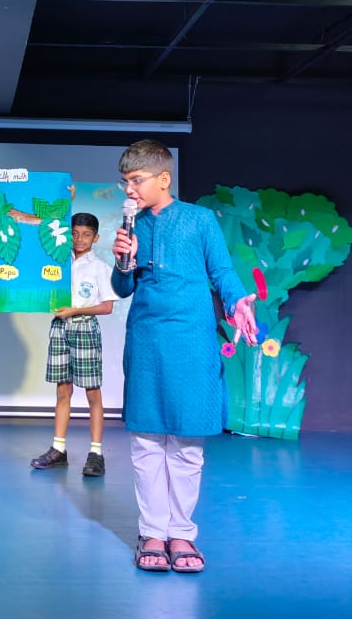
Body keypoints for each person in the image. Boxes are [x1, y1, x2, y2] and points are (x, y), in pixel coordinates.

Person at [110, 139, 258, 575]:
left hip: (193, 340)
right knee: (147, 442)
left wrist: (237, 302)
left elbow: (222, 271)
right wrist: (123, 262)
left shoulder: (199, 220)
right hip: (146, 340)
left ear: (164, 178)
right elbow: (123, 289)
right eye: (125, 182)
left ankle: (181, 533)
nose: (129, 190)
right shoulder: (132, 226)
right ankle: (152, 533)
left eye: (136, 180)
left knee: (187, 444)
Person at [30, 212, 119, 477]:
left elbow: (107, 307)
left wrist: (76, 310)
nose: (79, 239)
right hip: (60, 328)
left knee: (92, 391)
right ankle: (58, 449)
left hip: (84, 328)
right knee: (62, 390)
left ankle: (96, 453)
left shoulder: (100, 267)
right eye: (75, 233)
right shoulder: (59, 263)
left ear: (96, 238)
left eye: (86, 234)